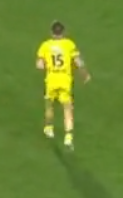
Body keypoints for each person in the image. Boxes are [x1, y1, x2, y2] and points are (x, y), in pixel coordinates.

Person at [37, 20, 89, 150]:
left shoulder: (45, 46)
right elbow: (78, 61)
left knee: (49, 105)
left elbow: (39, 65)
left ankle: (49, 128)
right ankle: (68, 137)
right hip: (65, 80)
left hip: (51, 80)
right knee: (67, 108)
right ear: (63, 32)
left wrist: (48, 66)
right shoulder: (69, 44)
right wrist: (84, 74)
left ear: (51, 32)